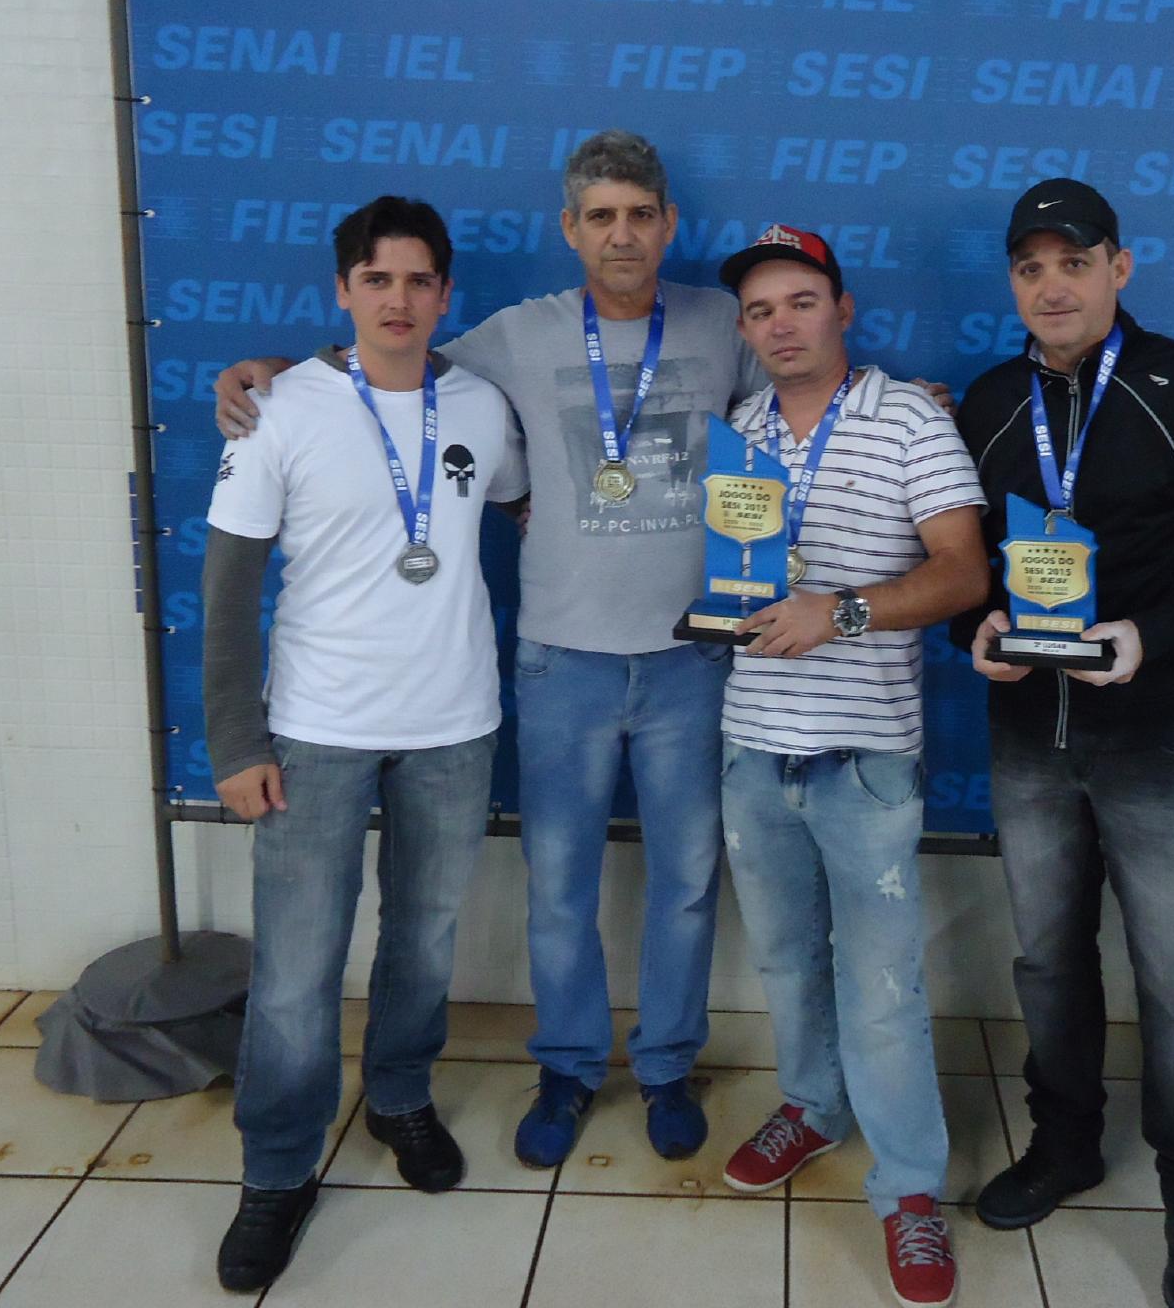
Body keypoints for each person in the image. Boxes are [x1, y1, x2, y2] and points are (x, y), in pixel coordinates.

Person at [215, 133, 763, 1168]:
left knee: (689, 877)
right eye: (599, 217)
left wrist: (907, 398)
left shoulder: (721, 320)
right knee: (557, 884)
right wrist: (274, 372)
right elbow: (389, 366)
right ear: (570, 230)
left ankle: (663, 1067)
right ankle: (568, 1067)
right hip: (560, 659)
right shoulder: (513, 336)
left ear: (668, 225)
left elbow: (806, 368)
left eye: (639, 215)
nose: (621, 234)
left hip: (692, 657)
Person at [951, 178, 1174, 1308]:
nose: (1051, 286)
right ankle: (1065, 1146)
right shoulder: (989, 400)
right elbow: (963, 563)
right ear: (1012, 282)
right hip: (1027, 738)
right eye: (1030, 267)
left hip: (1154, 740)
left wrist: (1155, 634)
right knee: (1048, 962)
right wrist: (976, 629)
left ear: (1119, 267)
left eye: (1074, 261)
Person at [202, 195, 526, 1290]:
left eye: (418, 281)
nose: (398, 300)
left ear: (445, 293)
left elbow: (523, 500)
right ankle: (277, 1168)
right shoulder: (277, 408)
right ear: (342, 290)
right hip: (315, 729)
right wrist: (236, 742)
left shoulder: (480, 403)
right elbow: (227, 590)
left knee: (423, 940)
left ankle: (398, 1098)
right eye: (376, 280)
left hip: (454, 723)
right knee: (298, 969)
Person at [708, 226, 988, 1308]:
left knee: (879, 989)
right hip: (752, 745)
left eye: (801, 301)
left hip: (865, 757)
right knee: (785, 963)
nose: (781, 324)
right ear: (744, 329)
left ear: (842, 310)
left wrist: (844, 612)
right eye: (760, 310)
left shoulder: (908, 418)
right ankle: (814, 1108)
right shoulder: (739, 430)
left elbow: (962, 572)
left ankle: (908, 1187)